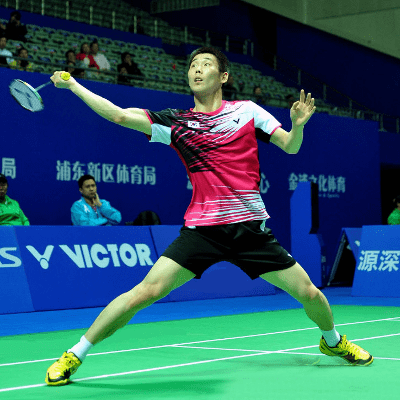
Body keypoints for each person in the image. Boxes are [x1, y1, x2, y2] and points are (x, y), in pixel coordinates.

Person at [46, 46, 373, 386]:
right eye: (193, 65)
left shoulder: (247, 111)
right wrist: (74, 86)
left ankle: (332, 341)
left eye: (206, 64)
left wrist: (298, 126)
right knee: (145, 292)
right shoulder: (176, 122)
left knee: (310, 294)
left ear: (223, 76)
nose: (197, 70)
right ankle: (75, 353)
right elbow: (118, 115)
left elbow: (291, 146)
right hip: (203, 231)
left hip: (250, 231)